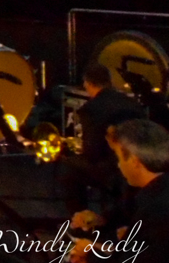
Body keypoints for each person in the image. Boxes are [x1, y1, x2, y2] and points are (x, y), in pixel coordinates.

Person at [66, 119, 169, 263]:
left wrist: (93, 255)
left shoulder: (157, 211)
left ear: (135, 162)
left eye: (120, 158)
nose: (118, 164)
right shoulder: (157, 190)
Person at [61, 62, 146, 212]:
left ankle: (81, 220)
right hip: (138, 162)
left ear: (88, 83)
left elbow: (93, 153)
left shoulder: (91, 109)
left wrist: (76, 148)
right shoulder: (133, 103)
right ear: (109, 81)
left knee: (68, 167)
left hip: (111, 167)